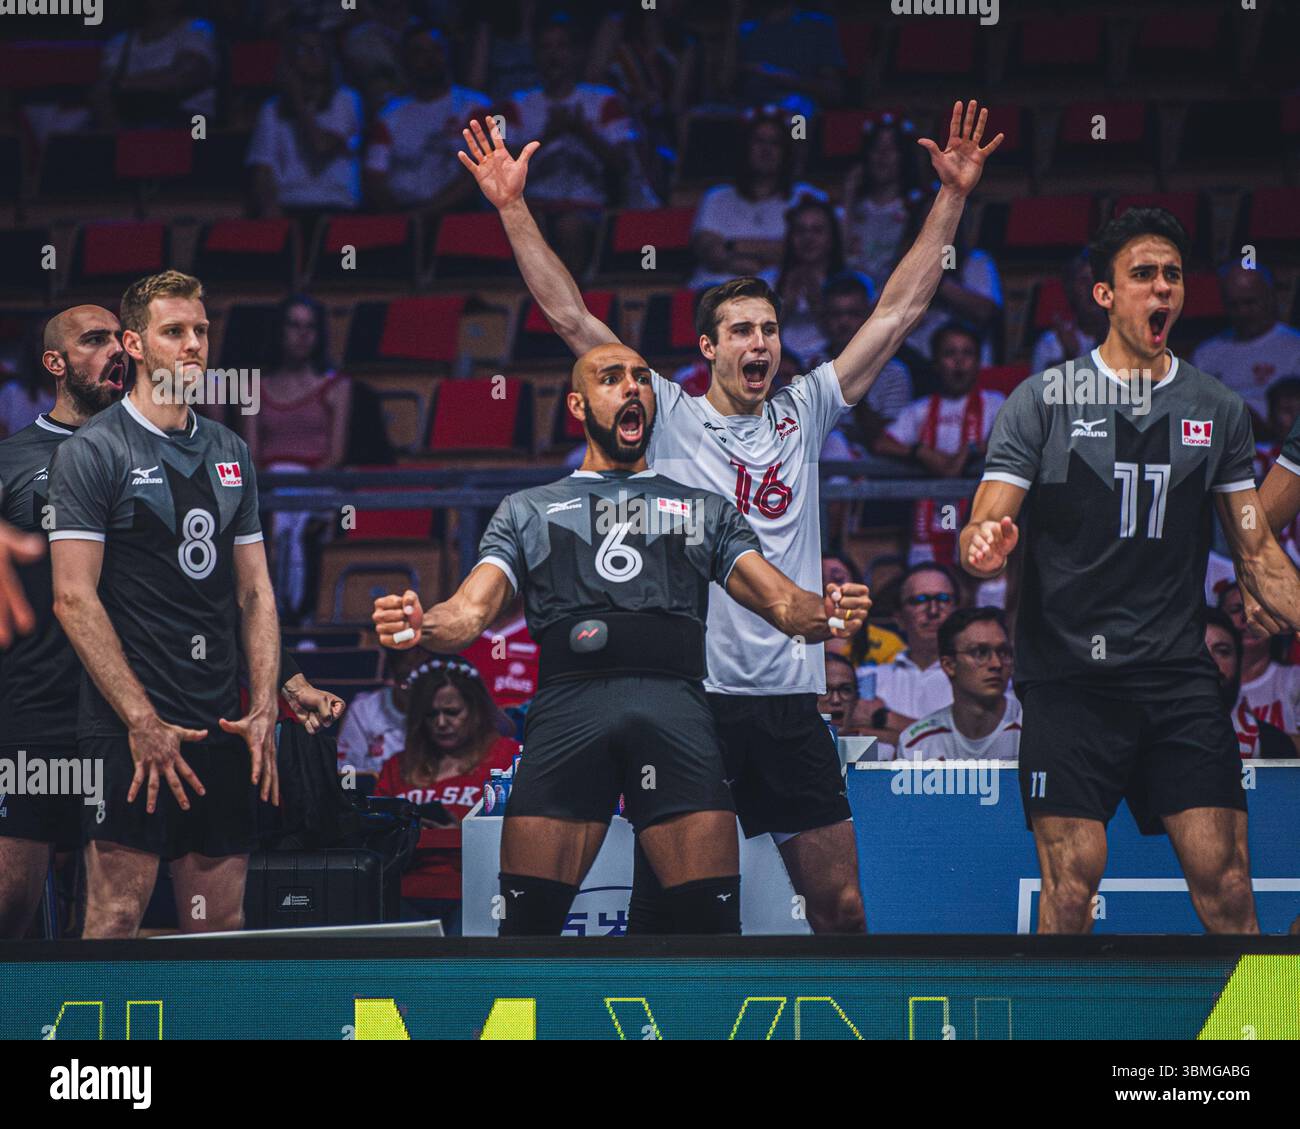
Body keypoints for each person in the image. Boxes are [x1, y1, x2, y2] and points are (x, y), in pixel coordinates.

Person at [458, 99, 1002, 933]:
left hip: (788, 700)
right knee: (669, 918)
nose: (761, 344)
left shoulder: (805, 411)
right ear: (707, 347)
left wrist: (952, 197)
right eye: (741, 330)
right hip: (691, 703)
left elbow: (896, 312)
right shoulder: (666, 410)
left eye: (771, 330)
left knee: (842, 903)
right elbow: (572, 318)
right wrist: (512, 207)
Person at [374, 342, 870, 935]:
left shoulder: (704, 510)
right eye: (612, 378)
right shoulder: (528, 510)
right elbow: (468, 612)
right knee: (525, 934)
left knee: (708, 936)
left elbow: (784, 603)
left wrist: (828, 614)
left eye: (641, 377)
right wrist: (420, 625)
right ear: (579, 406)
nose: (633, 386)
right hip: (566, 717)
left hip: (678, 715)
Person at [961, 207, 1300, 935]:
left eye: (1173, 275)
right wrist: (983, 541)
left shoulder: (1217, 409)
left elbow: (1257, 550)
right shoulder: (1044, 401)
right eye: (1143, 274)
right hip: (1068, 679)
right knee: (1071, 886)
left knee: (1230, 883)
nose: (1162, 289)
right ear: (1105, 294)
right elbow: (988, 514)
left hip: (1176, 676)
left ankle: (1261, 1032)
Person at [47, 272, 281, 940]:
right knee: (115, 915)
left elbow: (256, 591)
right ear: (134, 344)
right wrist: (141, 719)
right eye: (174, 332)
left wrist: (263, 705)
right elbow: (71, 597)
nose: (193, 347)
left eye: (201, 331)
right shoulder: (94, 451)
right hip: (128, 726)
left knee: (221, 924)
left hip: (221, 721)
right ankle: (96, 1049)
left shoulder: (231, 450)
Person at [495, 12, 652, 276]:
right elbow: (505, 171)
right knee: (530, 226)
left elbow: (623, 163)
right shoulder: (516, 104)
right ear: (535, 55)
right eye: (546, 47)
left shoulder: (603, 100)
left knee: (570, 228)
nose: (553, 55)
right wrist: (549, 135)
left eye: (561, 46)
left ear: (577, 53)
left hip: (588, 206)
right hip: (533, 205)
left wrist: (582, 132)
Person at [372, 656, 517, 932]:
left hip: (475, 887)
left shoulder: (506, 757)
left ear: (475, 711)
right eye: (431, 714)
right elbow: (376, 830)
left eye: (452, 712)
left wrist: (464, 833)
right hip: (405, 887)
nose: (441, 722)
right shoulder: (399, 765)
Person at [242, 294, 351, 622]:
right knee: (267, 515)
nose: (302, 335)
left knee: (299, 522)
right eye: (294, 326)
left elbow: (336, 455)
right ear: (280, 331)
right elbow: (251, 452)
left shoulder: (336, 387)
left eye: (310, 327)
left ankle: (301, 614)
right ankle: (266, 619)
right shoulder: (253, 386)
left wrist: (298, 484)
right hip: (270, 485)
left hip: (316, 485)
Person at [873, 322, 1005, 567]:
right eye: (949, 354)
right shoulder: (919, 409)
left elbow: (1012, 441)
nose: (958, 362)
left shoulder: (995, 403)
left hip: (978, 513)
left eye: (967, 354)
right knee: (931, 577)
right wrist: (920, 452)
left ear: (978, 362)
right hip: (932, 515)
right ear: (935, 362)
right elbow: (882, 443)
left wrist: (971, 451)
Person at [689, 107, 827, 289]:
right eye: (758, 141)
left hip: (780, 299)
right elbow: (709, 251)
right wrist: (769, 254)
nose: (766, 150)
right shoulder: (716, 197)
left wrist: (733, 246)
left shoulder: (807, 197)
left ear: (786, 151)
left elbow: (806, 252)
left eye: (775, 143)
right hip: (716, 293)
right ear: (745, 147)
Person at [364, 27, 491, 215]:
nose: (430, 58)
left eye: (436, 50)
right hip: (402, 215)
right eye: (420, 52)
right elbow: (374, 176)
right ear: (406, 60)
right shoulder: (389, 115)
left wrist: (428, 211)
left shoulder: (476, 106)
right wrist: (400, 217)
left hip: (460, 214)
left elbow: (479, 171)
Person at [247, 27, 364, 218]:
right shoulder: (272, 108)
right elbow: (262, 167)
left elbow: (321, 146)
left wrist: (298, 102)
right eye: (304, 49)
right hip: (289, 204)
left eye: (319, 49)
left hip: (336, 203)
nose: (312, 56)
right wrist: (268, 207)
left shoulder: (347, 99)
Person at [895, 607, 1021, 762]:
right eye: (980, 653)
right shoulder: (916, 743)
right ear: (949, 665)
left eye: (1003, 652)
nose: (996, 663)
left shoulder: (1033, 730)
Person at [1192, 264, 1300, 439]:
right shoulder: (1206, 354)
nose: (1242, 312)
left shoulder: (1295, 347)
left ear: (1270, 297)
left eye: (1250, 302)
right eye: (1234, 305)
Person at [92, 0, 219, 129]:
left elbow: (184, 76)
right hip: (130, 125)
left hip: (187, 123)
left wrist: (124, 85)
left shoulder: (198, 29)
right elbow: (103, 91)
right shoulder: (120, 42)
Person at [868, 562, 965, 729]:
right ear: (899, 618)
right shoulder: (871, 680)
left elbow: (971, 744)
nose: (933, 611)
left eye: (943, 599)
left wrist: (887, 721)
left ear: (957, 610)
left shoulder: (976, 677)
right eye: (919, 600)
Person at [1205, 606, 1295, 760]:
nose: (1211, 662)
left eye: (1223, 651)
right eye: (1202, 651)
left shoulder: (1272, 742)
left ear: (1238, 663)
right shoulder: (1155, 736)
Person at [1216, 581, 1300, 742]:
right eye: (1236, 609)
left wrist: (1253, 728)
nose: (1247, 618)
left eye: (1258, 611)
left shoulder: (1296, 681)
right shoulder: (1203, 686)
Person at [337, 645, 438, 776]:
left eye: (422, 679)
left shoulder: (446, 711)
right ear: (393, 675)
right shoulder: (364, 709)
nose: (414, 688)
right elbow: (345, 768)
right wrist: (350, 793)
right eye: (406, 681)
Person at [1030, 250, 1108, 376]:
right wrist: (1070, 358)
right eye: (1084, 281)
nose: (1091, 288)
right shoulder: (1051, 344)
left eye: (1098, 280)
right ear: (1071, 290)